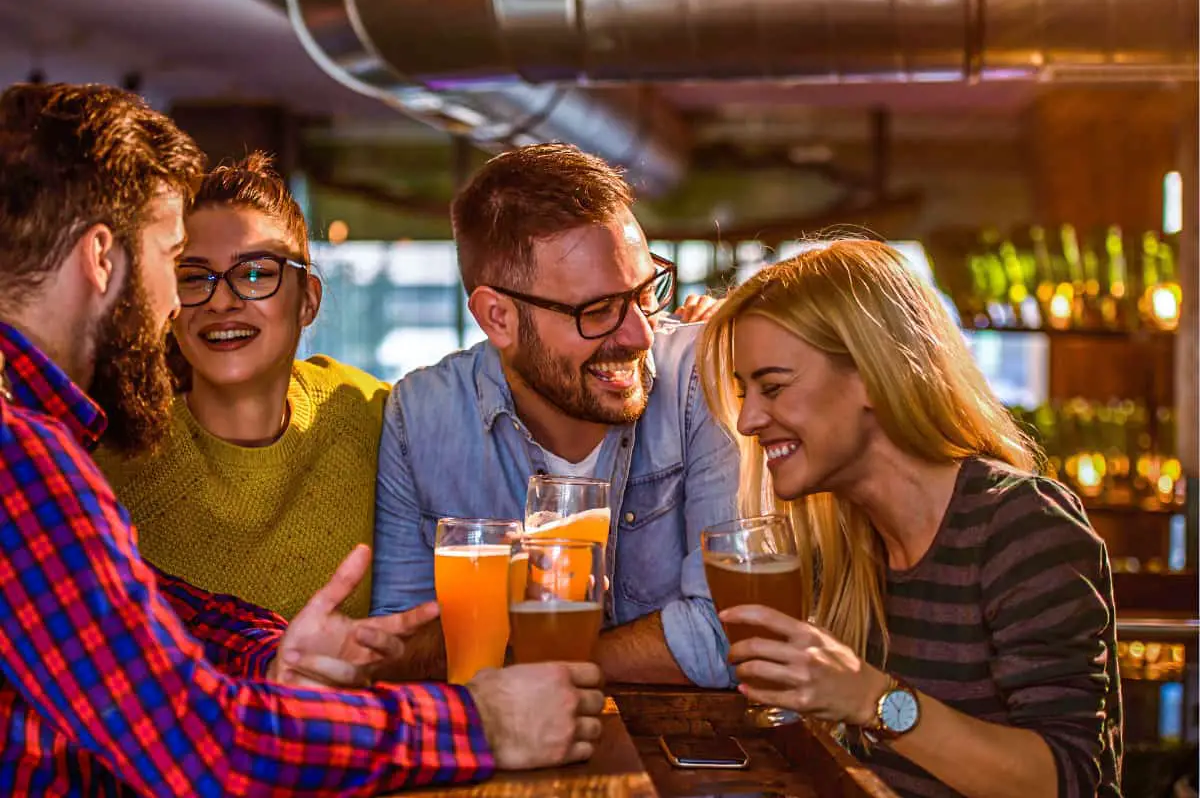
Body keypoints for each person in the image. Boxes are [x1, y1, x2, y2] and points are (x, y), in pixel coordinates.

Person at [0, 81, 604, 796]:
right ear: (103, 259)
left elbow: (139, 615)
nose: (180, 303)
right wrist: (479, 724)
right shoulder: (24, 457)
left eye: (253, 274)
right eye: (174, 261)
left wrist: (269, 655)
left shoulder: (35, 446)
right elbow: (204, 749)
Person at [696, 239, 1122, 797]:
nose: (749, 419)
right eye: (743, 391)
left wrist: (872, 699)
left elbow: (1067, 781)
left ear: (873, 375)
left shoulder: (1022, 524)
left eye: (773, 387)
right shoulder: (846, 543)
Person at [371, 143, 739, 688]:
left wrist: (533, 659)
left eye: (646, 293)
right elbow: (401, 650)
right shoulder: (421, 417)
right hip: (499, 756)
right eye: (597, 311)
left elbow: (727, 633)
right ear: (498, 318)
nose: (640, 333)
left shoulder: (703, 376)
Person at [95, 153, 385, 619]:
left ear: (308, 301)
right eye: (194, 278)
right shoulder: (112, 466)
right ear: (170, 304)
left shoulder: (372, 413)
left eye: (255, 274)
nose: (222, 300)